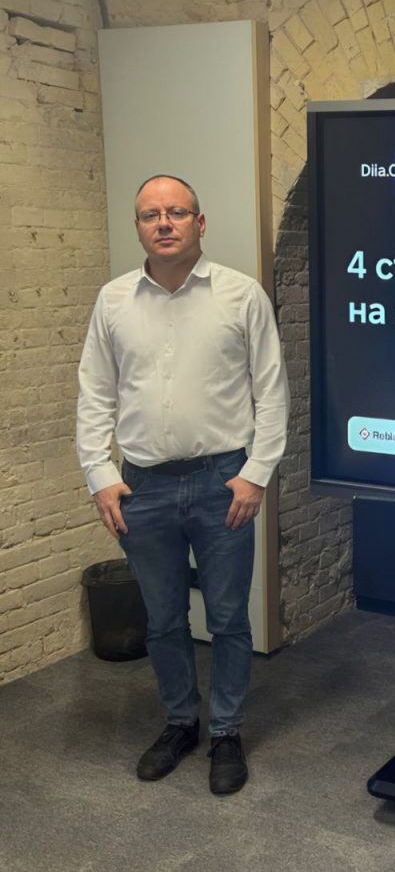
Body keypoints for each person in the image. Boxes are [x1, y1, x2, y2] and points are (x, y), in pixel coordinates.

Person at [76, 174, 289, 795]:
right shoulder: (113, 301)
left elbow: (271, 392)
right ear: (138, 227)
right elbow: (94, 394)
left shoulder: (241, 295)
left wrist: (256, 475)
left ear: (200, 223)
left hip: (224, 482)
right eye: (151, 215)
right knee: (164, 619)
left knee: (227, 617)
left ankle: (225, 731)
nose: (163, 223)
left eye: (176, 212)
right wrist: (100, 475)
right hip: (141, 488)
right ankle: (179, 723)